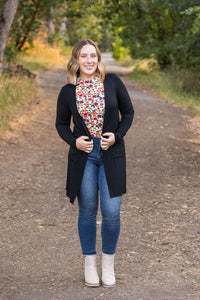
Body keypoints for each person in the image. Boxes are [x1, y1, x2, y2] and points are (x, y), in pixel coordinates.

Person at [55, 39, 134, 288]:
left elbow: (128, 112)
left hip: (112, 154)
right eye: (83, 56)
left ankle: (108, 265)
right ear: (76, 60)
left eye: (93, 56)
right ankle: (90, 263)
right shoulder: (68, 91)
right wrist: (74, 141)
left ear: (98, 58)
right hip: (84, 156)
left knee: (111, 212)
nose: (89, 61)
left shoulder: (112, 82)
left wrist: (117, 135)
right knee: (87, 211)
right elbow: (60, 124)